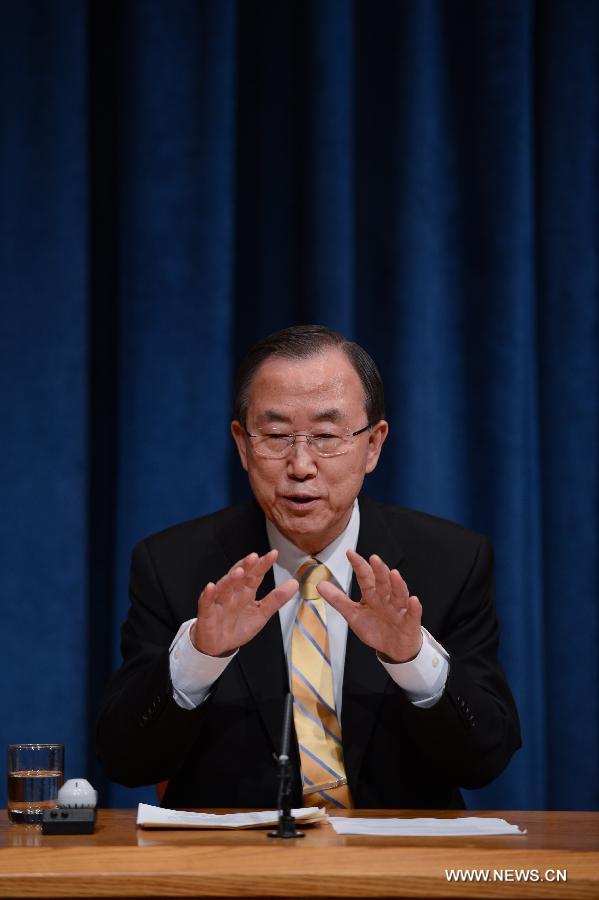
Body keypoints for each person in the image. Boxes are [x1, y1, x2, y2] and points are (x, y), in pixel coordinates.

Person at [96, 324, 520, 809]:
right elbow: (124, 762)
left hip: (397, 869)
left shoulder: (449, 561)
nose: (300, 465)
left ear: (374, 444)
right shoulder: (175, 565)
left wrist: (412, 659)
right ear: (242, 444)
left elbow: (486, 761)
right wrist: (199, 656)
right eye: (276, 436)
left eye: (325, 436)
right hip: (235, 871)